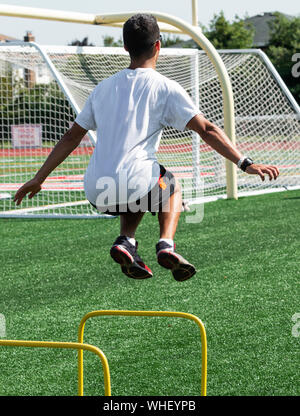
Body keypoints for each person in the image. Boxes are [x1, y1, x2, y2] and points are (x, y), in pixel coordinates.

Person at [14, 14, 279, 282]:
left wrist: (39, 178)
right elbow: (207, 130)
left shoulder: (102, 88)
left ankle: (126, 240)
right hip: (136, 181)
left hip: (96, 190)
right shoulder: (165, 87)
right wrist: (245, 163)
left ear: (126, 48)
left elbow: (71, 137)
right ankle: (166, 244)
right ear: (158, 45)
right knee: (169, 183)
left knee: (140, 184)